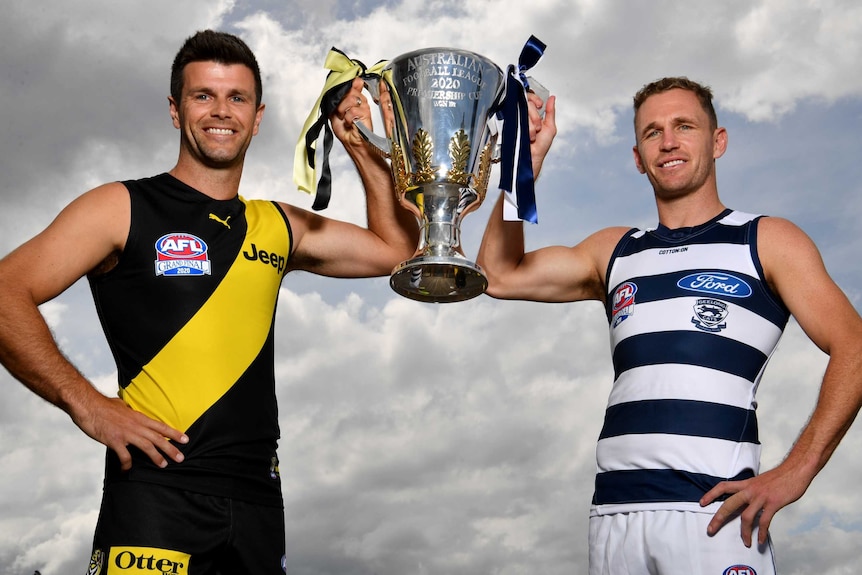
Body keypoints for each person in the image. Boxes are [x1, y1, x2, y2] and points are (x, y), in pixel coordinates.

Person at [0, 30, 416, 575]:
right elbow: (7, 291)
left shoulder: (276, 224)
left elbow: (396, 252)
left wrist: (360, 145)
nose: (221, 111)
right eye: (203, 96)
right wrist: (89, 405)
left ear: (258, 116)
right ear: (176, 110)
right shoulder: (120, 207)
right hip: (157, 493)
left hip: (258, 501)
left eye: (237, 98)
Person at [476, 77, 862, 574]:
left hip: (711, 516)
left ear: (717, 141)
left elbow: (853, 345)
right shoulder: (615, 249)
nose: (669, 142)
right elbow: (499, 275)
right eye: (653, 132)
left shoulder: (766, 239)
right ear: (638, 157)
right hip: (614, 516)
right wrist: (520, 165)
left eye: (684, 126)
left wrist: (797, 471)